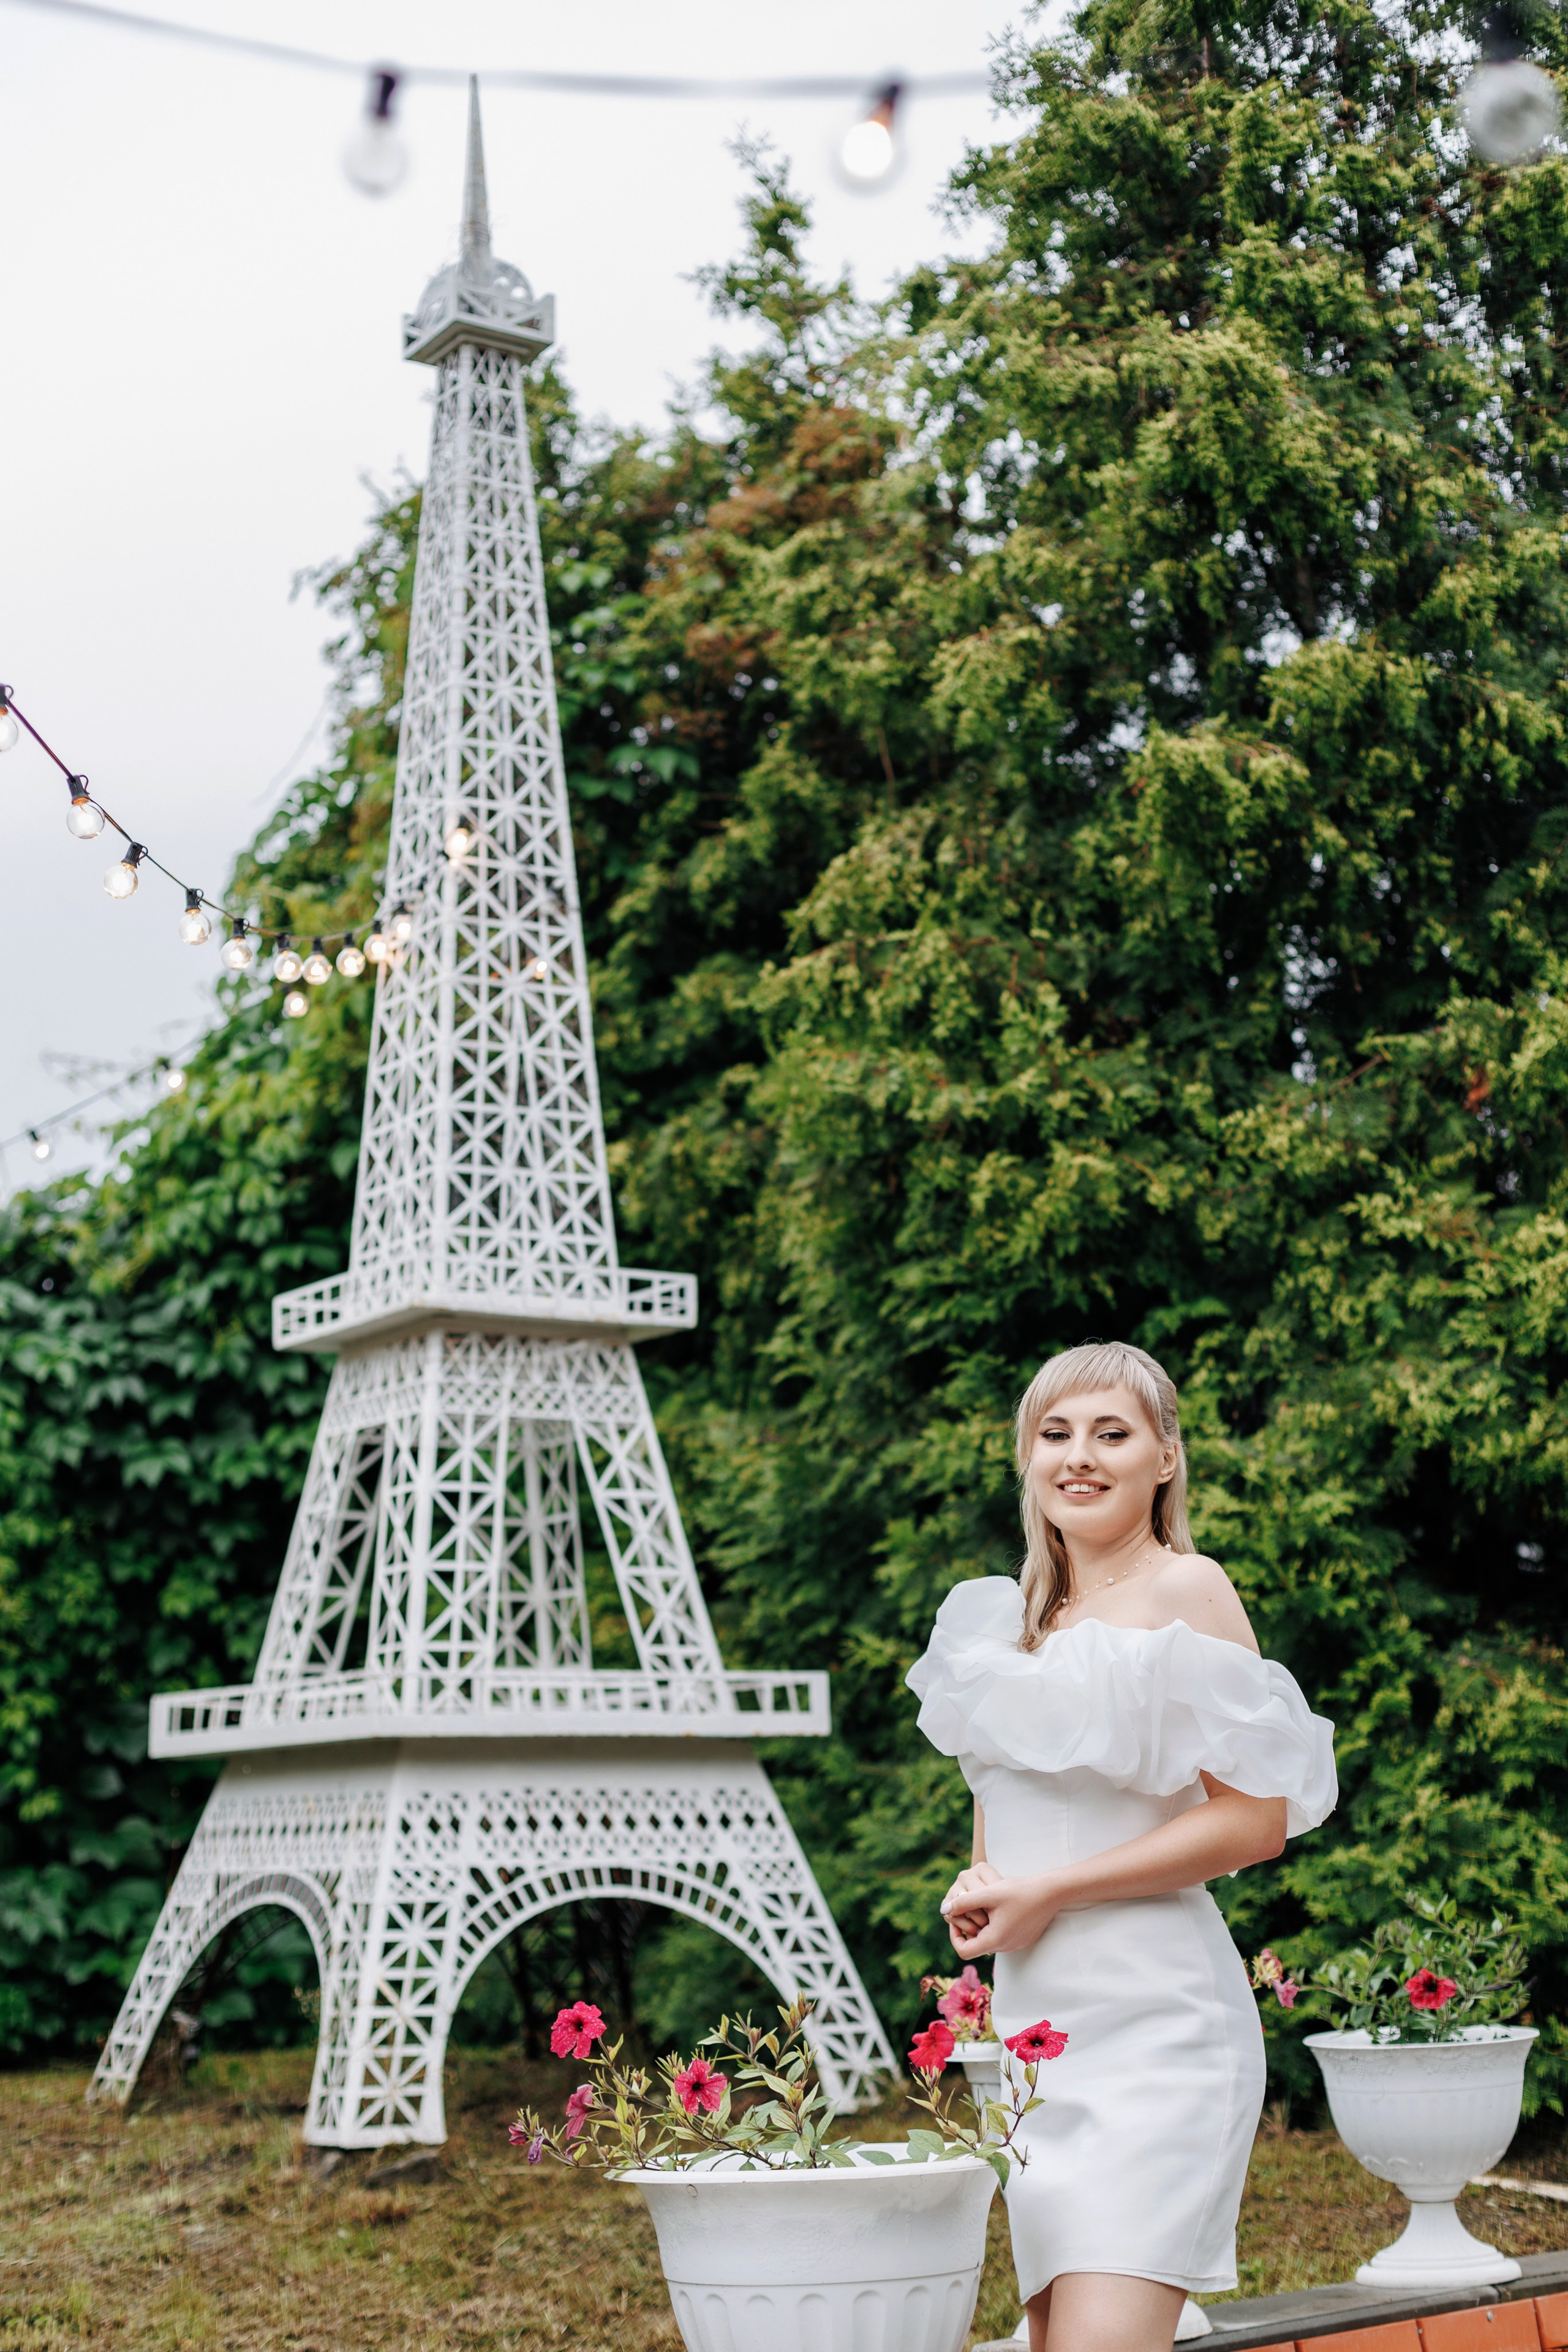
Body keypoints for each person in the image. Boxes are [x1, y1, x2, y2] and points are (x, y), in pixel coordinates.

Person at [907, 1341, 1336, 2352]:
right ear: (1027, 1458)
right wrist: (983, 1884)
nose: (1079, 1457)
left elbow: (1254, 1820)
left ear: (1165, 1458)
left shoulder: (1187, 1590)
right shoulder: (1003, 1624)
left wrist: (1054, 1889)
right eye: (1055, 1434)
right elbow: (1005, 1809)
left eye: (1112, 1433)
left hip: (1160, 2028)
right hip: (1039, 2044)